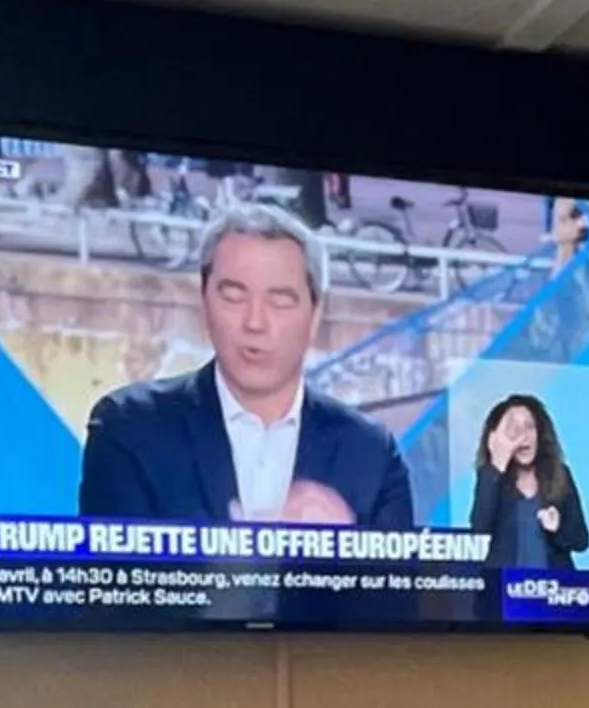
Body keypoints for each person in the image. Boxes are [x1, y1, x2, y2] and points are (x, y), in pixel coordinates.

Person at [80, 203, 414, 528]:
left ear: (315, 316)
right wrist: (258, 554)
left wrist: (342, 554)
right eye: (234, 297)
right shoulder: (130, 429)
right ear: (205, 303)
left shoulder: (371, 452)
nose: (255, 322)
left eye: (280, 300)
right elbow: (116, 580)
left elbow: (394, 584)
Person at [469, 394, 589, 573]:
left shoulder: (560, 474)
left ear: (540, 435)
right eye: (513, 430)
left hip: (554, 593)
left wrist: (558, 527)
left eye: (529, 427)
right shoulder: (490, 478)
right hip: (504, 594)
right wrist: (498, 464)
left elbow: (581, 541)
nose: (523, 436)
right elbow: (479, 529)